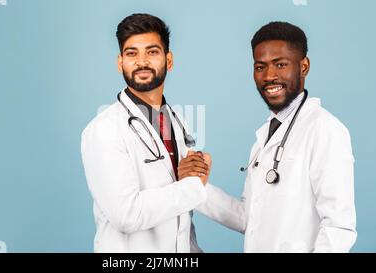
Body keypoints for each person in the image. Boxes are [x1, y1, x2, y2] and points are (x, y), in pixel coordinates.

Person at [187, 21, 357, 252]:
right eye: (260, 67)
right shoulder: (265, 137)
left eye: (280, 64)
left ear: (304, 66)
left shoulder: (325, 129)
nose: (269, 76)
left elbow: (339, 227)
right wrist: (197, 187)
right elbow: (248, 219)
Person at [81, 13, 212, 252]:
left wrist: (247, 216)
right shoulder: (104, 130)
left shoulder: (175, 121)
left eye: (152, 51)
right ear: (120, 62)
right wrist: (193, 186)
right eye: (132, 53)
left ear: (168, 60)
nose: (142, 62)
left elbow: (186, 204)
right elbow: (127, 214)